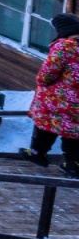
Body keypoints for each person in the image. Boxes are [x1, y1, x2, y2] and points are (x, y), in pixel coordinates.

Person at [26, 12, 79, 176]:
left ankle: (37, 153)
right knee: (74, 131)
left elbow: (46, 75)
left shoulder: (64, 47)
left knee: (47, 122)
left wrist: (42, 81)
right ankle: (72, 164)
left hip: (59, 98)